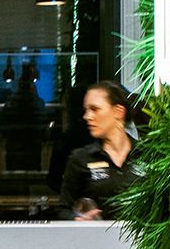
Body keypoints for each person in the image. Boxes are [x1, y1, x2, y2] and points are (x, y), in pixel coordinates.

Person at [56, 80, 140, 220]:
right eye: (86, 110)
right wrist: (77, 220)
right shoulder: (81, 158)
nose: (87, 116)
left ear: (118, 112)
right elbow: (63, 210)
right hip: (97, 239)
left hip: (141, 240)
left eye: (94, 109)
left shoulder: (147, 155)